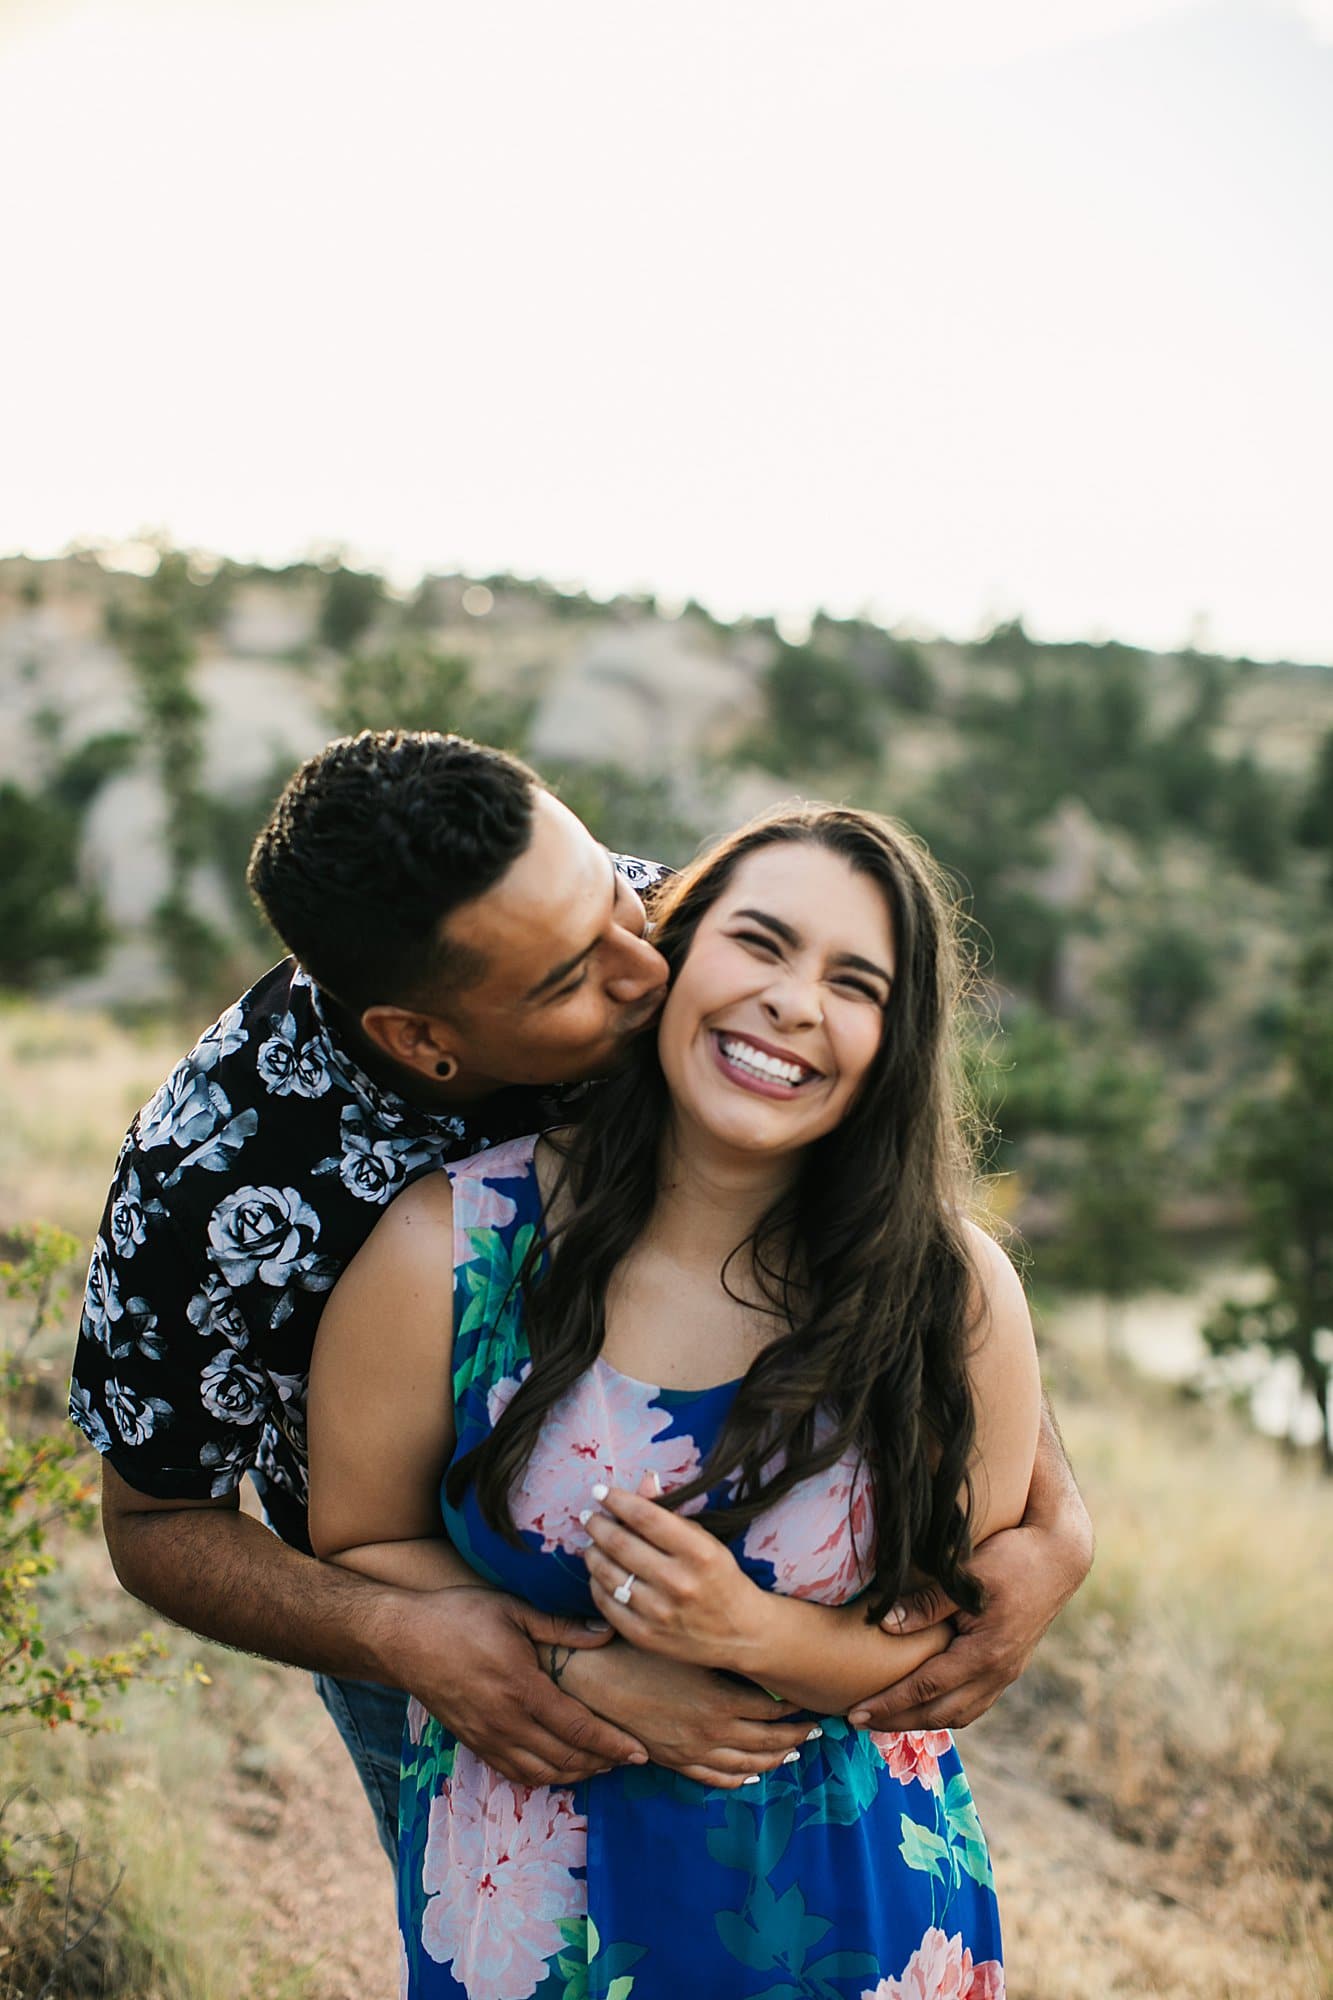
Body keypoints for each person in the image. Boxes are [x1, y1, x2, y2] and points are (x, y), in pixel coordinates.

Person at [69, 730, 1091, 1873]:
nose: (643, 966)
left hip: (786, 1592)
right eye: (568, 976)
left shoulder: (649, 926)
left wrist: (1051, 1514)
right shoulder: (215, 1179)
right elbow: (155, 1522)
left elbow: (890, 1217)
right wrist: (419, 1637)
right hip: (432, 1599)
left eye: (613, 888)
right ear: (425, 1039)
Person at [307, 803, 1045, 1998]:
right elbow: (356, 1540)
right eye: (758, 943)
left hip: (851, 1921)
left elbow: (953, 1647)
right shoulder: (450, 1246)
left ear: (893, 1040)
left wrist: (749, 1634)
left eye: (853, 981)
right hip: (533, 1914)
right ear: (669, 959)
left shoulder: (951, 1296)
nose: (794, 1000)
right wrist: (570, 1665)